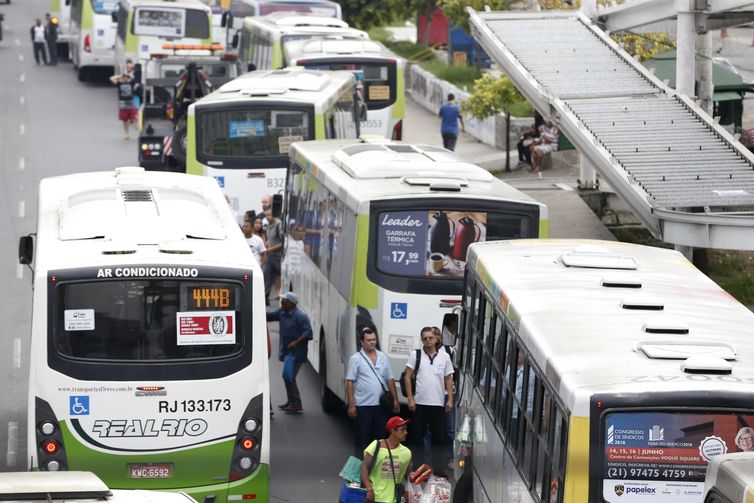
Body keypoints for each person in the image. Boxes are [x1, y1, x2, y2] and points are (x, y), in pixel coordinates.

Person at [404, 327, 454, 477]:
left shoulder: (444, 357)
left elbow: (448, 378)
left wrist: (450, 399)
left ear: (436, 339)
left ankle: (438, 469)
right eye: (425, 338)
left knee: (438, 438)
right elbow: (408, 377)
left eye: (430, 338)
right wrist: (410, 398)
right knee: (417, 437)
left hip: (437, 403)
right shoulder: (416, 355)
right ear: (422, 340)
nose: (428, 341)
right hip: (420, 403)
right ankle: (418, 468)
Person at [347, 327, 400, 456]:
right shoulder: (355, 359)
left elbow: (390, 379)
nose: (372, 342)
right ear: (362, 342)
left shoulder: (382, 357)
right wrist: (351, 404)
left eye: (374, 340)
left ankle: (376, 468)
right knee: (362, 439)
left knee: (380, 439)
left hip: (380, 406)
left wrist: (395, 399)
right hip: (363, 406)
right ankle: (358, 469)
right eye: (369, 340)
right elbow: (350, 382)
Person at [266, 292, 312, 414]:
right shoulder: (282, 312)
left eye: (284, 301)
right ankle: (291, 401)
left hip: (296, 353)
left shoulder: (300, 316)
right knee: (288, 377)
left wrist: (297, 342)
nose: (281, 302)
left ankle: (296, 404)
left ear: (290, 303)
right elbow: (268, 316)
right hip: (287, 351)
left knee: (289, 377)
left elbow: (308, 333)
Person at [361, 416, 412, 503]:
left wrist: (420, 476)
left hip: (396, 499)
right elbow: (364, 467)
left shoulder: (407, 453)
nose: (406, 432)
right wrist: (369, 489)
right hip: (375, 498)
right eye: (402, 429)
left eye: (406, 429)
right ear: (392, 430)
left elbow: (408, 477)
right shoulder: (376, 446)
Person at [109, 60, 137, 139]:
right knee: (125, 120)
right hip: (123, 104)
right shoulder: (119, 84)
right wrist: (121, 76)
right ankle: (126, 134)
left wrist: (129, 76)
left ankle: (137, 129)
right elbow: (111, 78)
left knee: (134, 118)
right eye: (124, 78)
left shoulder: (131, 83)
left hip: (130, 103)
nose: (125, 79)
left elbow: (136, 82)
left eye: (126, 78)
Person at [263, 208, 283, 304]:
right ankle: (265, 298)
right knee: (267, 276)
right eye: (266, 216)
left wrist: (270, 249)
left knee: (282, 276)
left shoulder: (278, 225)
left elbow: (282, 242)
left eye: (269, 215)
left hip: (278, 256)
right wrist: (267, 243)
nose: (268, 217)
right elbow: (269, 238)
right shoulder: (268, 226)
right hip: (271, 256)